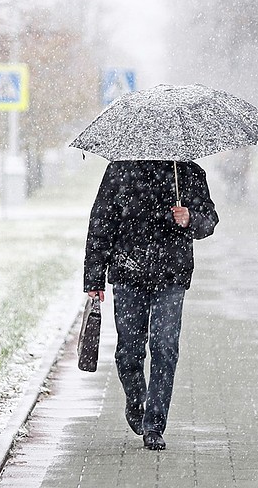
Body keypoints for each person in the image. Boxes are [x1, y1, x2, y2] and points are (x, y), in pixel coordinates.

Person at [83, 160, 218, 451]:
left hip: (171, 276)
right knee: (129, 351)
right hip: (128, 272)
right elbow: (101, 222)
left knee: (165, 346)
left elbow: (209, 220)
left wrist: (190, 218)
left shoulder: (188, 172)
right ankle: (136, 399)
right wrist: (94, 278)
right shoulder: (120, 170)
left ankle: (154, 425)